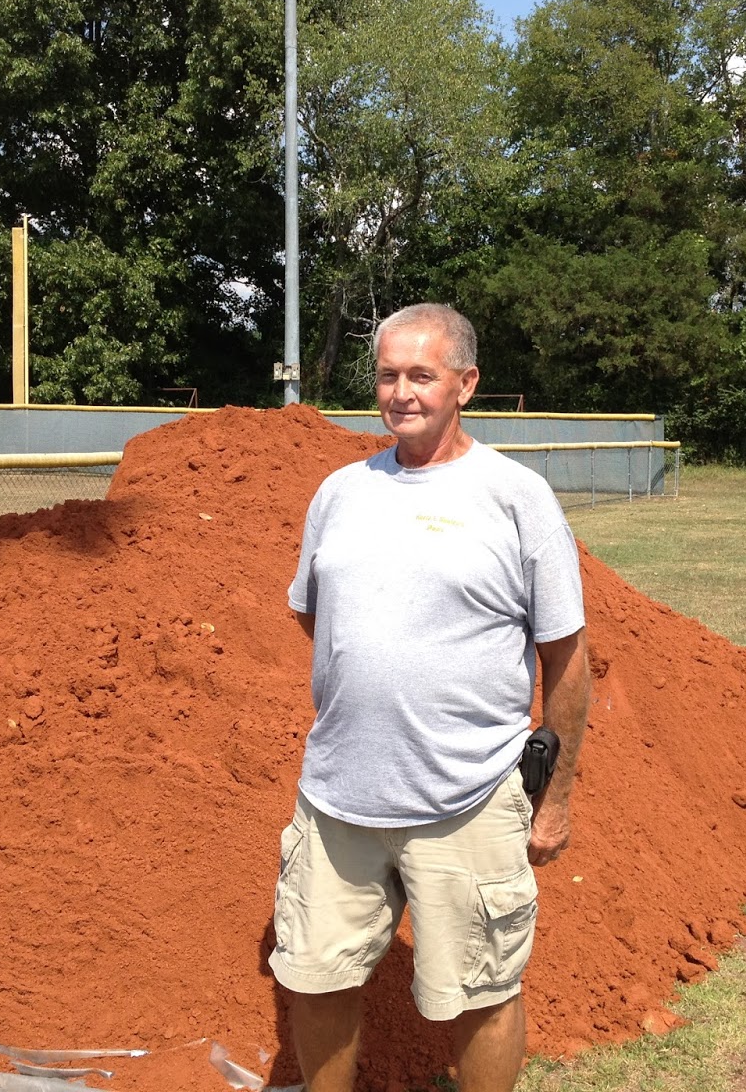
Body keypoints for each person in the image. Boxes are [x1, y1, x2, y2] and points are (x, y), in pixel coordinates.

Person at [271, 302, 592, 1092]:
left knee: (480, 992)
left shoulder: (516, 498)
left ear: (465, 384)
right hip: (338, 797)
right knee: (314, 976)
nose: (402, 393)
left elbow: (567, 658)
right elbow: (317, 615)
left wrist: (554, 800)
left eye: (422, 374)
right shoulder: (340, 492)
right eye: (388, 375)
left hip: (468, 797)